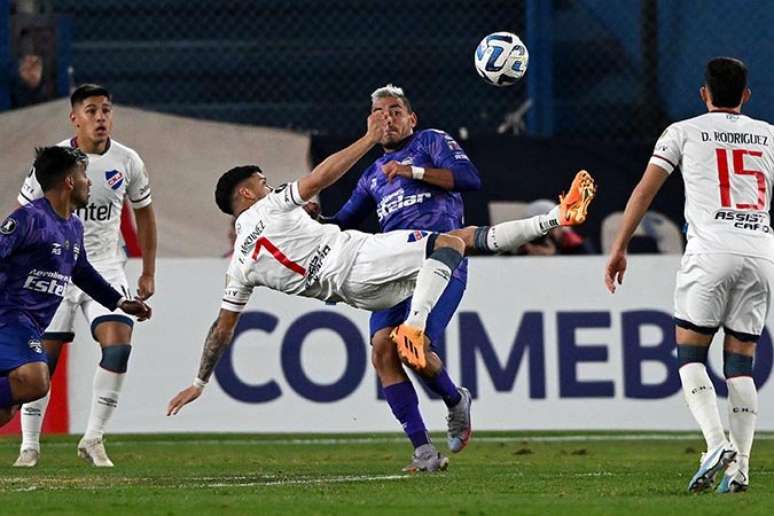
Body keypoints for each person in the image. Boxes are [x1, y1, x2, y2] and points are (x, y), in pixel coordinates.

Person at [167, 110, 596, 472]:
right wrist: (369, 138)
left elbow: (222, 329)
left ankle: (424, 451)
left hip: (354, 293)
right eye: (263, 182)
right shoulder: (271, 203)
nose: (270, 185)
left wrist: (199, 381)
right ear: (247, 193)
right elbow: (320, 176)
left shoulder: (238, 268)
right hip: (361, 258)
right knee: (449, 242)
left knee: (384, 352)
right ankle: (421, 322)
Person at [604, 57, 770, 494]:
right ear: (746, 96)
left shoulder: (682, 131)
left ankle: (717, 444)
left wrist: (619, 246)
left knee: (690, 355)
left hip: (710, 250)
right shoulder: (770, 135)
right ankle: (741, 471)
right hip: (760, 251)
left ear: (704, 93)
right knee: (740, 366)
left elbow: (645, 189)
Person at [321, 84, 480, 459]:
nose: (387, 117)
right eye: (379, 112)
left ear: (412, 118)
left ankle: (455, 401)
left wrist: (412, 171)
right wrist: (315, 221)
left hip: (441, 260)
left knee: (414, 348)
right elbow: (343, 222)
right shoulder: (372, 175)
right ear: (369, 122)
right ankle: (423, 450)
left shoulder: (431, 142)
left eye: (395, 111)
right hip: (394, 268)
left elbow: (470, 179)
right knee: (382, 351)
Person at [13, 84, 157, 468]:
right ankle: (29, 445)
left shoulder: (127, 161)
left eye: (106, 110)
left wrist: (148, 271)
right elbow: (25, 215)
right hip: (54, 267)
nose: (101, 118)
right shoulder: (56, 163)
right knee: (42, 363)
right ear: (74, 118)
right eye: (91, 111)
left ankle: (93, 437)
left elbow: (144, 213)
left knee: (118, 346)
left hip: (105, 267)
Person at [0, 147, 151, 429]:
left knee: (5, 410)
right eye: (83, 174)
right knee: (35, 380)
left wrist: (119, 302)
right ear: (69, 181)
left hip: (29, 324)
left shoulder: (73, 227)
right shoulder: (28, 219)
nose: (89, 181)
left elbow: (81, 272)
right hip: (9, 317)